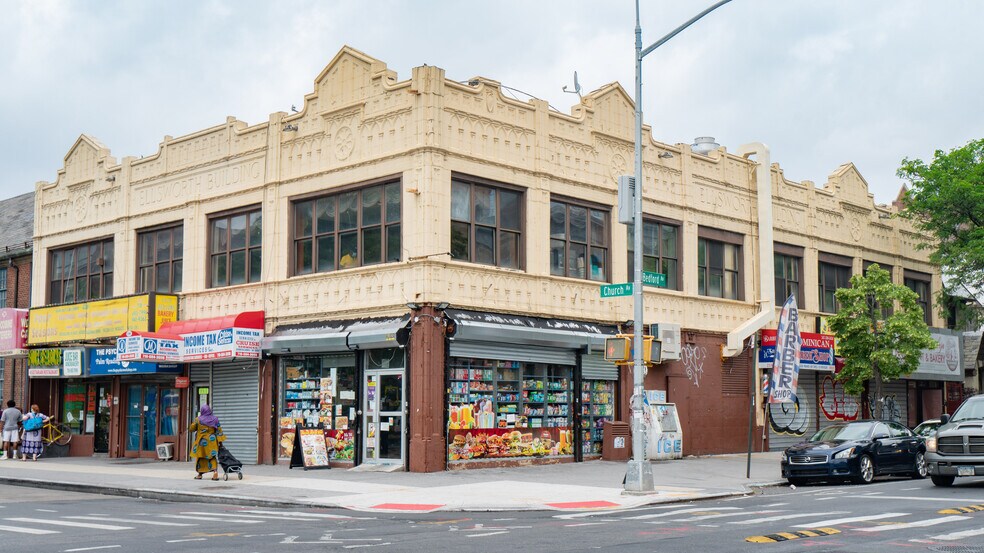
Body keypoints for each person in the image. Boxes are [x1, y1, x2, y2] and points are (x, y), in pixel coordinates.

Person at [189, 404, 225, 480]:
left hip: (201, 442)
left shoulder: (198, 419)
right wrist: (220, 442)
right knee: (212, 457)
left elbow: (192, 429)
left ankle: (199, 474)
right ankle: (215, 472)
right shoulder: (215, 419)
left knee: (200, 457)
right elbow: (219, 430)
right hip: (212, 441)